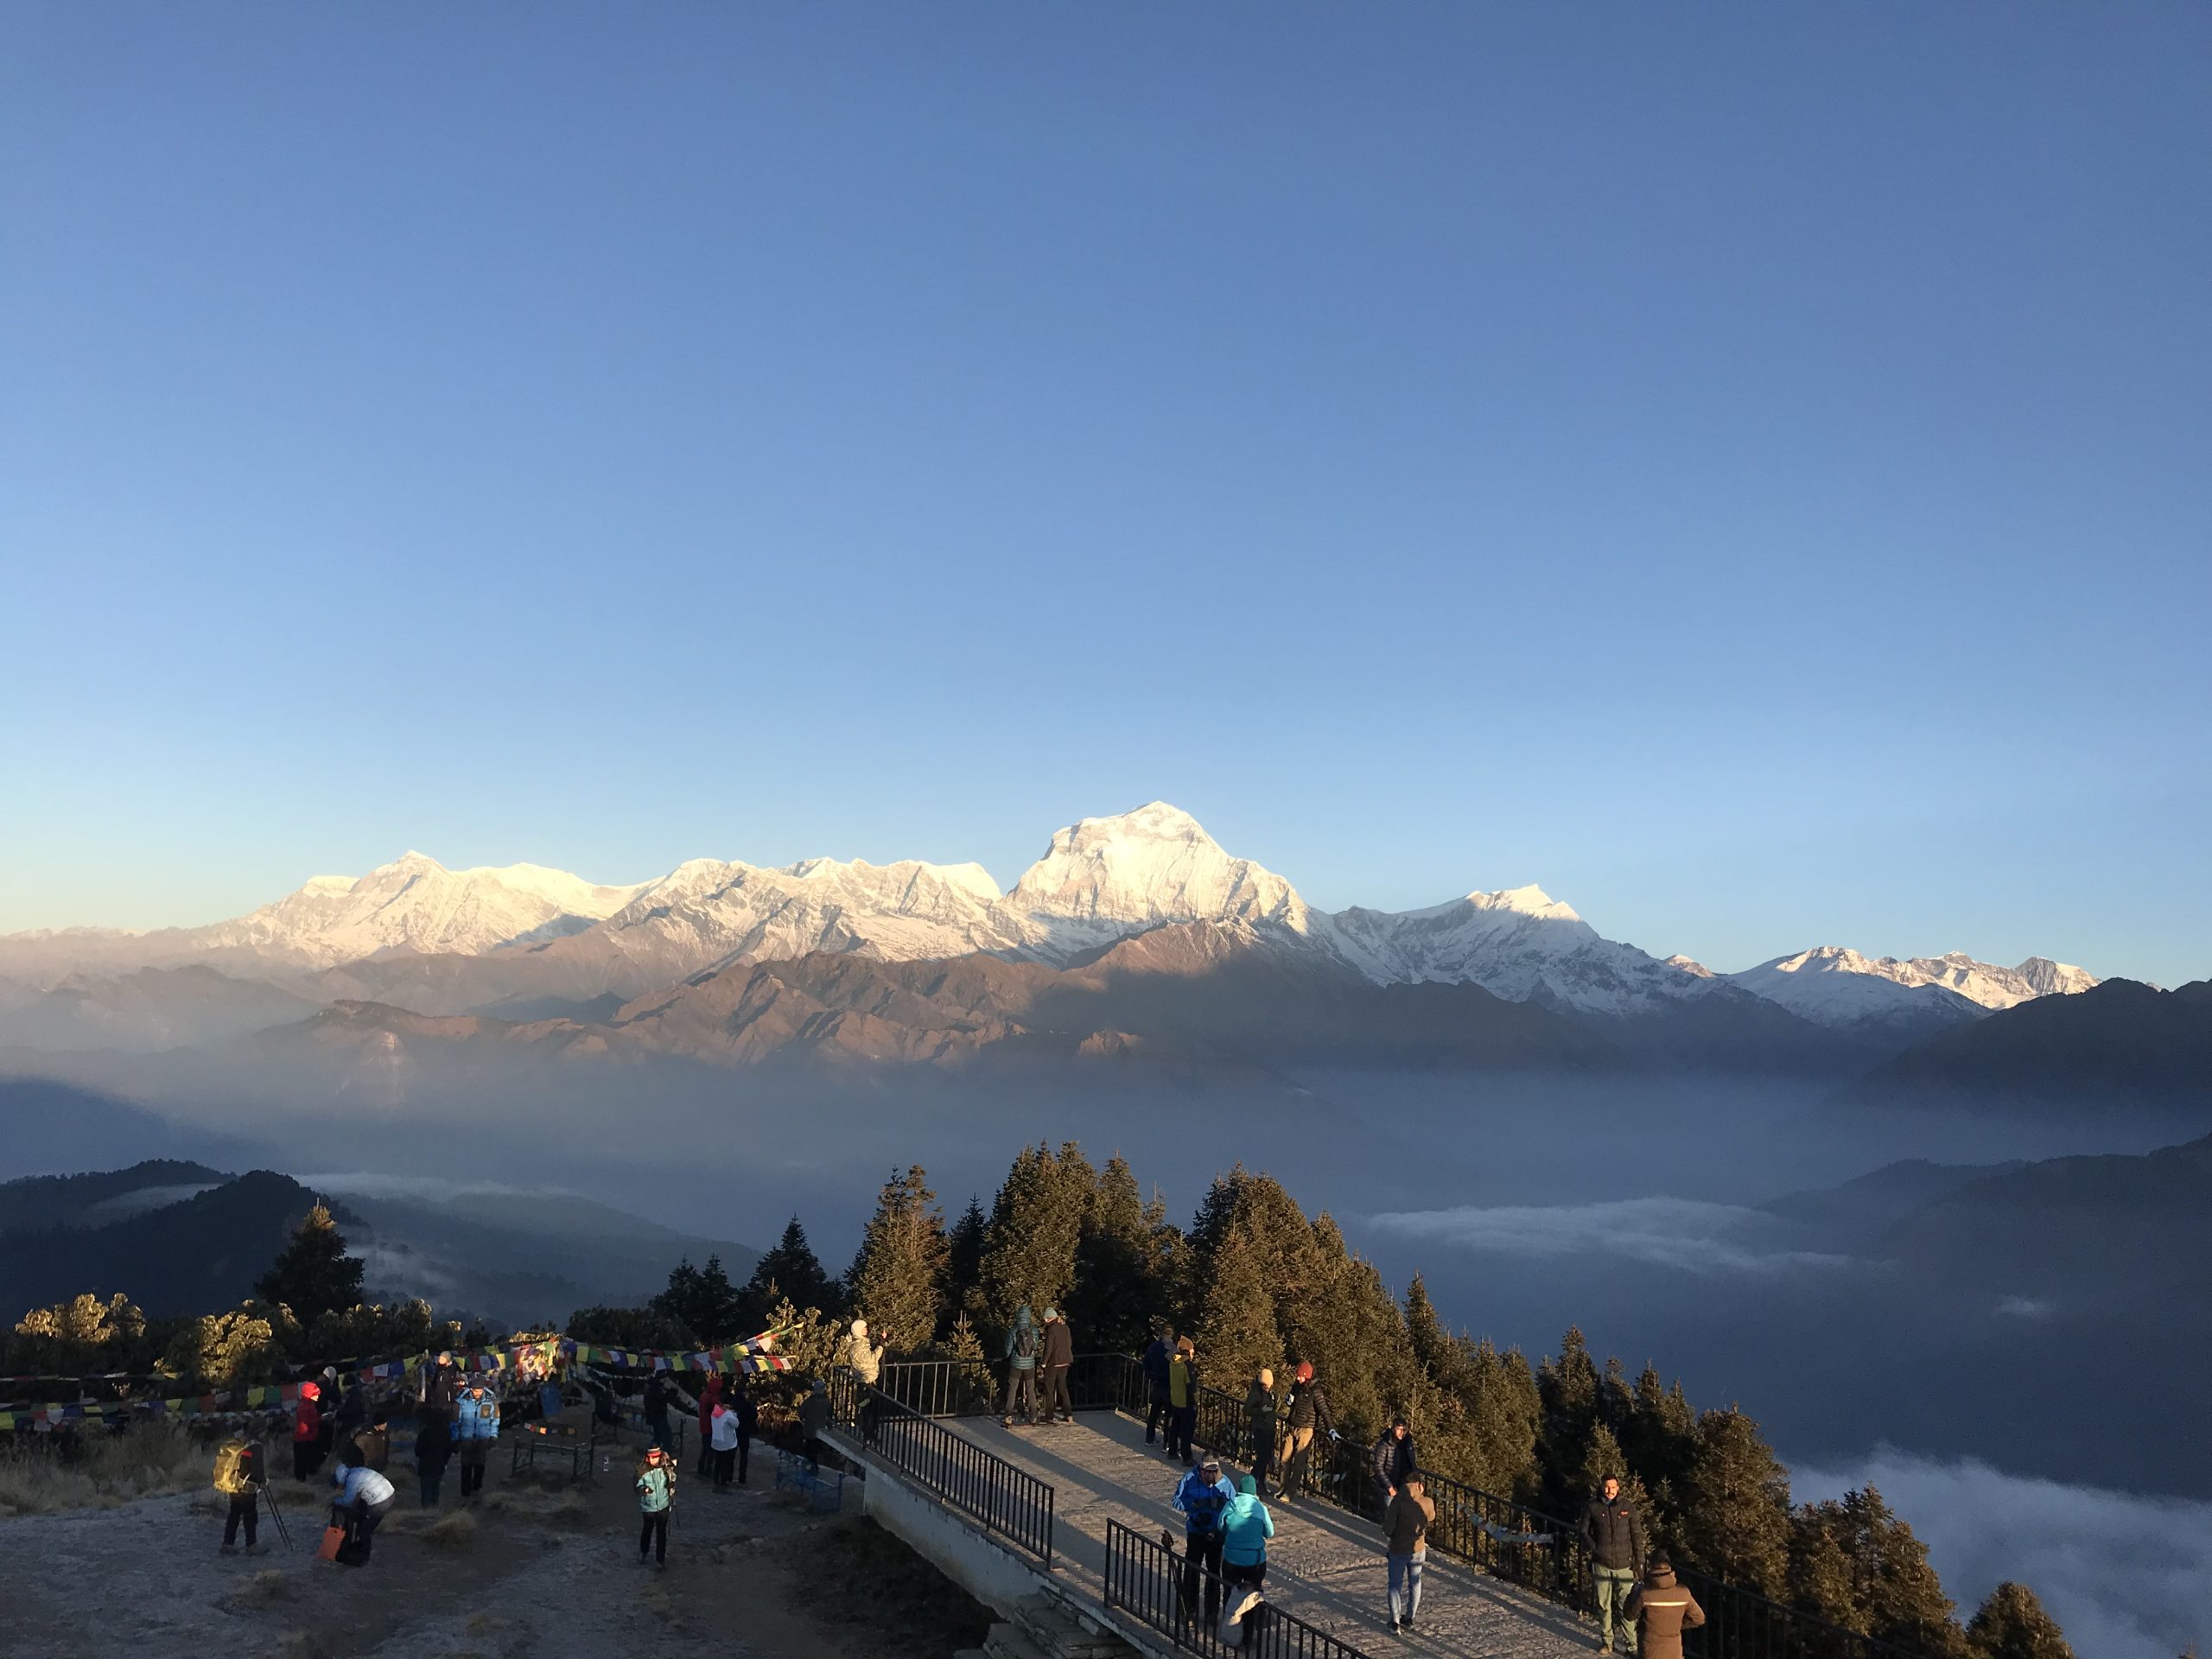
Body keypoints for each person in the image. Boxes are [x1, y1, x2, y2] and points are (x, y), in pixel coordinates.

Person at [1582, 1473, 1647, 1655]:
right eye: (1606, 1486)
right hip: (1601, 1564)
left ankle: (1631, 1645)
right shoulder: (1592, 1506)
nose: (1610, 1490)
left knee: (1626, 1606)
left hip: (1625, 1565)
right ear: (1602, 1487)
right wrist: (1595, 1549)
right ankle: (1607, 1642)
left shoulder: (1627, 1507)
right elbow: (1583, 1531)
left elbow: (1637, 1535)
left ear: (1618, 1488)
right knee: (1604, 1606)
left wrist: (1639, 1561)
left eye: (1613, 1487)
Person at [1171, 1453, 1236, 1631]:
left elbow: (1235, 1508)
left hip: (1216, 1535)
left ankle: (1211, 1613)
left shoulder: (1226, 1483)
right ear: (1200, 1469)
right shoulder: (1189, 1479)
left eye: (1213, 1471)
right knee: (1192, 1570)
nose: (1209, 1475)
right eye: (1206, 1471)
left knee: (1214, 1574)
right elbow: (1176, 1501)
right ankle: (1189, 1610)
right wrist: (1195, 1504)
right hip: (1196, 1532)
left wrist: (1221, 1525)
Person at [1625, 1551, 1706, 1659]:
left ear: (1651, 1568)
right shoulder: (1683, 1593)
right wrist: (1677, 1625)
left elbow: (1629, 1615)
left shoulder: (1645, 1594)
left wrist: (1633, 1592)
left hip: (1649, 1651)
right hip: (1674, 1651)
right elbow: (1699, 1619)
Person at [1383, 1471, 1436, 1632]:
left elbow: (1388, 1528)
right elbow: (1431, 1517)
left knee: (1395, 1585)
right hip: (1418, 1548)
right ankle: (1410, 1617)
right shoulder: (1427, 1502)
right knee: (1415, 1581)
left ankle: (1395, 1621)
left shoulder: (1397, 1502)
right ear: (1419, 1485)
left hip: (1398, 1548)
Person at [331, 1449, 397, 1567]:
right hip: (388, 1492)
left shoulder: (352, 1479)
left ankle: (363, 1557)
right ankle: (359, 1548)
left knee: (364, 1529)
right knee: (362, 1519)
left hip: (381, 1500)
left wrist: (335, 1502)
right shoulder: (357, 1471)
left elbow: (348, 1501)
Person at [1280, 1361, 1333, 1501]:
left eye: (1300, 1376)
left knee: (1299, 1463)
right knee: (1284, 1459)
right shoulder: (1297, 1386)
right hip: (1293, 1425)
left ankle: (1290, 1492)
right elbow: (1291, 1401)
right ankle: (1282, 1487)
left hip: (1306, 1429)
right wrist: (1289, 1401)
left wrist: (1331, 1429)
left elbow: (1324, 1410)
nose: (1298, 1378)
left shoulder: (1316, 1390)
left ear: (1306, 1376)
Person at [1220, 1474, 1274, 1603]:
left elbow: (1221, 1527)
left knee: (1230, 1593)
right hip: (1255, 1561)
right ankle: (1251, 1620)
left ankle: (1230, 1619)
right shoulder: (1261, 1509)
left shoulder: (1230, 1506)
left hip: (1231, 1559)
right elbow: (1270, 1533)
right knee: (1253, 1596)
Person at [213, 1426, 265, 1554]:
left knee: (234, 1514)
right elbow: (256, 1468)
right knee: (250, 1515)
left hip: (233, 1485)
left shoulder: (237, 1444)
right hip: (248, 1486)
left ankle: (228, 1544)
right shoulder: (255, 1446)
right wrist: (262, 1481)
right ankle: (251, 1545)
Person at [454, 1378, 501, 1501]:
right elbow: (456, 1420)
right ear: (471, 1389)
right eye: (475, 1391)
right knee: (466, 1464)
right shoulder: (462, 1401)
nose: (478, 1393)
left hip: (483, 1436)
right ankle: (465, 1491)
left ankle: (477, 1487)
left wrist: (493, 1436)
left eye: (480, 1391)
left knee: (480, 1463)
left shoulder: (491, 1401)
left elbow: (495, 1419)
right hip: (466, 1436)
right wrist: (455, 1437)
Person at [1000, 1305, 1041, 1427]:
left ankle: (1008, 1416)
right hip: (1030, 1365)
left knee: (1012, 1390)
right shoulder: (1033, 1330)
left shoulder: (1013, 1330)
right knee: (1031, 1390)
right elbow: (1035, 1346)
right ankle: (1033, 1416)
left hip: (1016, 1364)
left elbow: (1007, 1351)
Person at [636, 1444, 676, 1567]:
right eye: (651, 1457)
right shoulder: (642, 1470)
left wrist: (671, 1484)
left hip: (663, 1504)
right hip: (648, 1506)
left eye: (655, 1457)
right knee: (647, 1529)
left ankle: (660, 1560)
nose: (653, 1460)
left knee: (661, 1533)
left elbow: (672, 1477)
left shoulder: (665, 1467)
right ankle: (644, 1551)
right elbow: (636, 1486)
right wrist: (644, 1490)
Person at [1243, 1368, 1278, 1497]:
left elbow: (1270, 1409)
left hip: (1268, 1428)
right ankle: (1253, 1481)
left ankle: (1260, 1483)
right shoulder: (1256, 1394)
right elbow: (1246, 1410)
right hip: (1261, 1429)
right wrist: (1261, 1411)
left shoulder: (1267, 1393)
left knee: (1266, 1457)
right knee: (1262, 1458)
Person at [1038, 1307, 1074, 1425]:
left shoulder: (1051, 1330)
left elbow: (1048, 1348)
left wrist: (1044, 1362)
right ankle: (1068, 1415)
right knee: (1063, 1388)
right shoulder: (1065, 1327)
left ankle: (1049, 1416)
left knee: (1050, 1389)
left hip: (1054, 1363)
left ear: (1049, 1318)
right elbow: (1070, 1343)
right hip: (1065, 1362)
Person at [1166, 1337, 1199, 1466]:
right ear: (1188, 1351)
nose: (1193, 1352)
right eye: (1192, 1349)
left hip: (1175, 1399)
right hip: (1186, 1401)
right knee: (1187, 1430)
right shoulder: (1187, 1366)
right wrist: (1194, 1402)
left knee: (1175, 1426)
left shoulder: (1174, 1362)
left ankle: (1172, 1451)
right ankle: (1187, 1457)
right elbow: (1191, 1386)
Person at [1141, 1323, 1174, 1447]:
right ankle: (1167, 1442)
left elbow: (1145, 1365)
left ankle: (1149, 1438)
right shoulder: (1173, 1349)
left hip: (1157, 1383)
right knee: (1169, 1416)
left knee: (1154, 1412)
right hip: (1169, 1384)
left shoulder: (1153, 1348)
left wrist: (1152, 1376)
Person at [1372, 1415, 1416, 1510]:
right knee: (1389, 1516)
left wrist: (1417, 1481)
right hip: (1389, 1486)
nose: (1401, 1432)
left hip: (1404, 1486)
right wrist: (1389, 1487)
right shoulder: (1384, 1444)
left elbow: (1412, 1463)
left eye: (1404, 1430)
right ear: (1393, 1429)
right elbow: (1378, 1467)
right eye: (1399, 1429)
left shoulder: (1407, 1444)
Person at [415, 1402, 454, 1508]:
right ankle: (434, 1509)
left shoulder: (425, 1433)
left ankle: (425, 1510)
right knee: (435, 1489)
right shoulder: (445, 1432)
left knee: (426, 1491)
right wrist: (445, 1461)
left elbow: (418, 1451)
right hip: (439, 1465)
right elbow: (449, 1449)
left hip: (425, 1466)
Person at [728, 1373, 759, 1485]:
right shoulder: (748, 1405)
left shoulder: (733, 1405)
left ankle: (729, 1476)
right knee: (743, 1457)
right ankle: (742, 1478)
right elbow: (754, 1415)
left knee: (731, 1456)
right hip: (745, 1432)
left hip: (733, 1433)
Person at [709, 1392, 741, 1491]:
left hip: (716, 1441)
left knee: (718, 1463)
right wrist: (734, 1414)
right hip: (727, 1443)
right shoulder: (728, 1414)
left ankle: (716, 1480)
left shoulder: (714, 1412)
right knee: (725, 1464)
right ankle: (723, 1483)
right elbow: (736, 1424)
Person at [292, 1381, 323, 1482]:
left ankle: (306, 1475)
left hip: (309, 1436)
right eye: (315, 1395)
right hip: (304, 1437)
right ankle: (301, 1479)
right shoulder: (305, 1407)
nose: (318, 1397)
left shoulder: (309, 1405)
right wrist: (320, 1419)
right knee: (302, 1460)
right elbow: (306, 1421)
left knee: (307, 1458)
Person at [798, 1376, 830, 1472]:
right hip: (821, 1431)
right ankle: (813, 1467)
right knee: (816, 1450)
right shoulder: (827, 1402)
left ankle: (812, 1468)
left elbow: (800, 1413)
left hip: (809, 1430)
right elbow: (830, 1414)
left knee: (809, 1451)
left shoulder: (809, 1402)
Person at [842, 1318, 886, 1385]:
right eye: (864, 1328)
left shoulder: (860, 1343)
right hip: (866, 1380)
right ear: (859, 1330)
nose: (866, 1329)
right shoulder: (858, 1345)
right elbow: (871, 1360)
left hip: (866, 1379)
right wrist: (880, 1347)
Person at [696, 1373, 723, 1478]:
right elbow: (718, 1411)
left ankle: (701, 1468)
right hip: (711, 1427)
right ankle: (708, 1470)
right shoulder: (713, 1398)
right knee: (711, 1450)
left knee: (705, 1449)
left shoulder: (703, 1395)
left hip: (703, 1426)